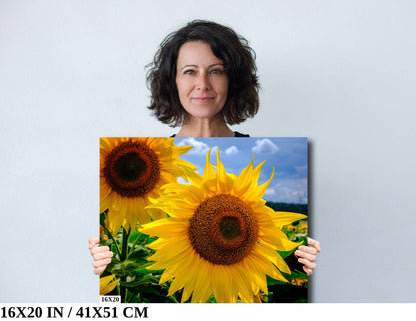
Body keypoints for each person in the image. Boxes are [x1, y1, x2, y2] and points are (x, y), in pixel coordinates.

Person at [90, 20, 320, 278]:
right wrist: (101, 265)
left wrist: (302, 261)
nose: (203, 84)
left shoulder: (261, 154)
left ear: (233, 81)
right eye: (189, 71)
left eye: (216, 71)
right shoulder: (156, 155)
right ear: (172, 81)